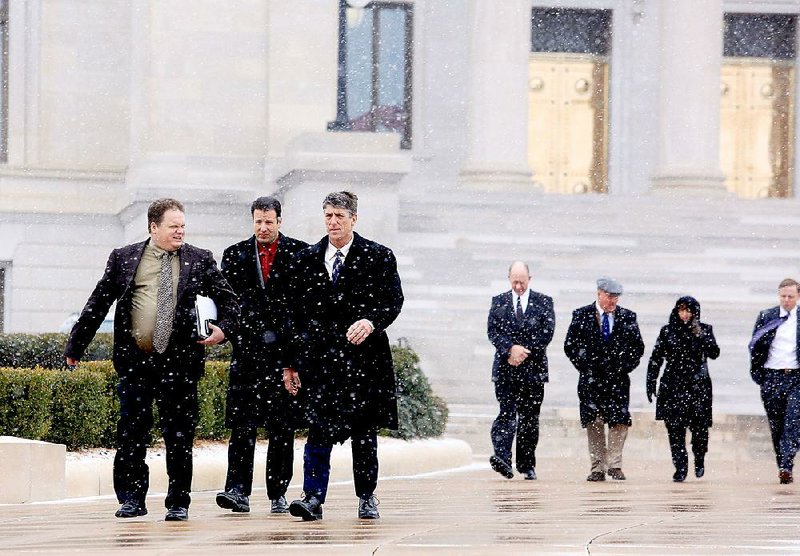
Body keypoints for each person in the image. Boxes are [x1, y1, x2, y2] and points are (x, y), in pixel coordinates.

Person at [64, 198, 239, 521]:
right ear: (153, 227)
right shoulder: (125, 258)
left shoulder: (199, 259)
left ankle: (178, 501)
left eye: (183, 226)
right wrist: (76, 346)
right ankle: (131, 498)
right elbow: (98, 303)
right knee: (131, 432)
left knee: (179, 434)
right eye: (173, 226)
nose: (180, 232)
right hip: (136, 363)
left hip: (180, 364)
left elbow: (229, 300)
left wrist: (223, 330)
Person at [283, 191, 403, 521]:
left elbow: (393, 301)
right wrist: (290, 363)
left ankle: (366, 497)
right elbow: (292, 314)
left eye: (339, 216)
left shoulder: (378, 256)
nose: (333, 222)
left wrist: (372, 322)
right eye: (328, 216)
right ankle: (312, 497)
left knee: (364, 435)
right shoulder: (306, 259)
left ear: (354, 218)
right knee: (318, 432)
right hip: (320, 362)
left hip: (364, 362)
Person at [215, 197, 308, 514]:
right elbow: (227, 303)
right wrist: (236, 339)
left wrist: (293, 357)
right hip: (247, 354)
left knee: (282, 428)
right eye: (258, 221)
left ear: (280, 221)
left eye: (269, 221)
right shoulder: (235, 255)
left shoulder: (301, 254)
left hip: (285, 356)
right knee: (241, 426)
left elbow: (305, 311)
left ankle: (277, 492)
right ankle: (236, 490)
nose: (263, 227)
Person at [564, 276, 644, 481]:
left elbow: (637, 348)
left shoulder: (627, 317)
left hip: (617, 380)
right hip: (591, 380)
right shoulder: (581, 315)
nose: (612, 301)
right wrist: (586, 366)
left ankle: (615, 465)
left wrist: (622, 366)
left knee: (619, 421)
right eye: (609, 296)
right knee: (594, 421)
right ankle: (598, 467)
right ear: (599, 293)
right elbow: (570, 345)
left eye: (616, 297)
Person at [487, 261, 555, 481]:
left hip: (533, 370)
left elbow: (547, 332)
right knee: (506, 413)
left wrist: (523, 352)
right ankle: (503, 459)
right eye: (515, 282)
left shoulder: (544, 302)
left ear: (530, 279)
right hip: (506, 370)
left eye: (522, 282)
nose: (518, 286)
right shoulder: (498, 302)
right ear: (509, 279)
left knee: (529, 418)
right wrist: (510, 349)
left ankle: (526, 464)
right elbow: (493, 332)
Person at [646, 296, 720, 482]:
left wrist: (701, 336)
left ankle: (699, 459)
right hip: (673, 386)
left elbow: (714, 353)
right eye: (681, 310)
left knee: (700, 430)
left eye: (689, 311)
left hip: (698, 387)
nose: (685, 314)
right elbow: (656, 358)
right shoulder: (667, 331)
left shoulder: (704, 329)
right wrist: (650, 381)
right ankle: (680, 466)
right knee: (675, 429)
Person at [749, 278, 800, 484]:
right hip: (772, 377)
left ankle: (787, 463)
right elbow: (755, 344)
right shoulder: (767, 316)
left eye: (791, 296)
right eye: (783, 296)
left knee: (794, 421)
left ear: (798, 296)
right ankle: (783, 465)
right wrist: (759, 375)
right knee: (777, 425)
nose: (786, 300)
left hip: (796, 377)